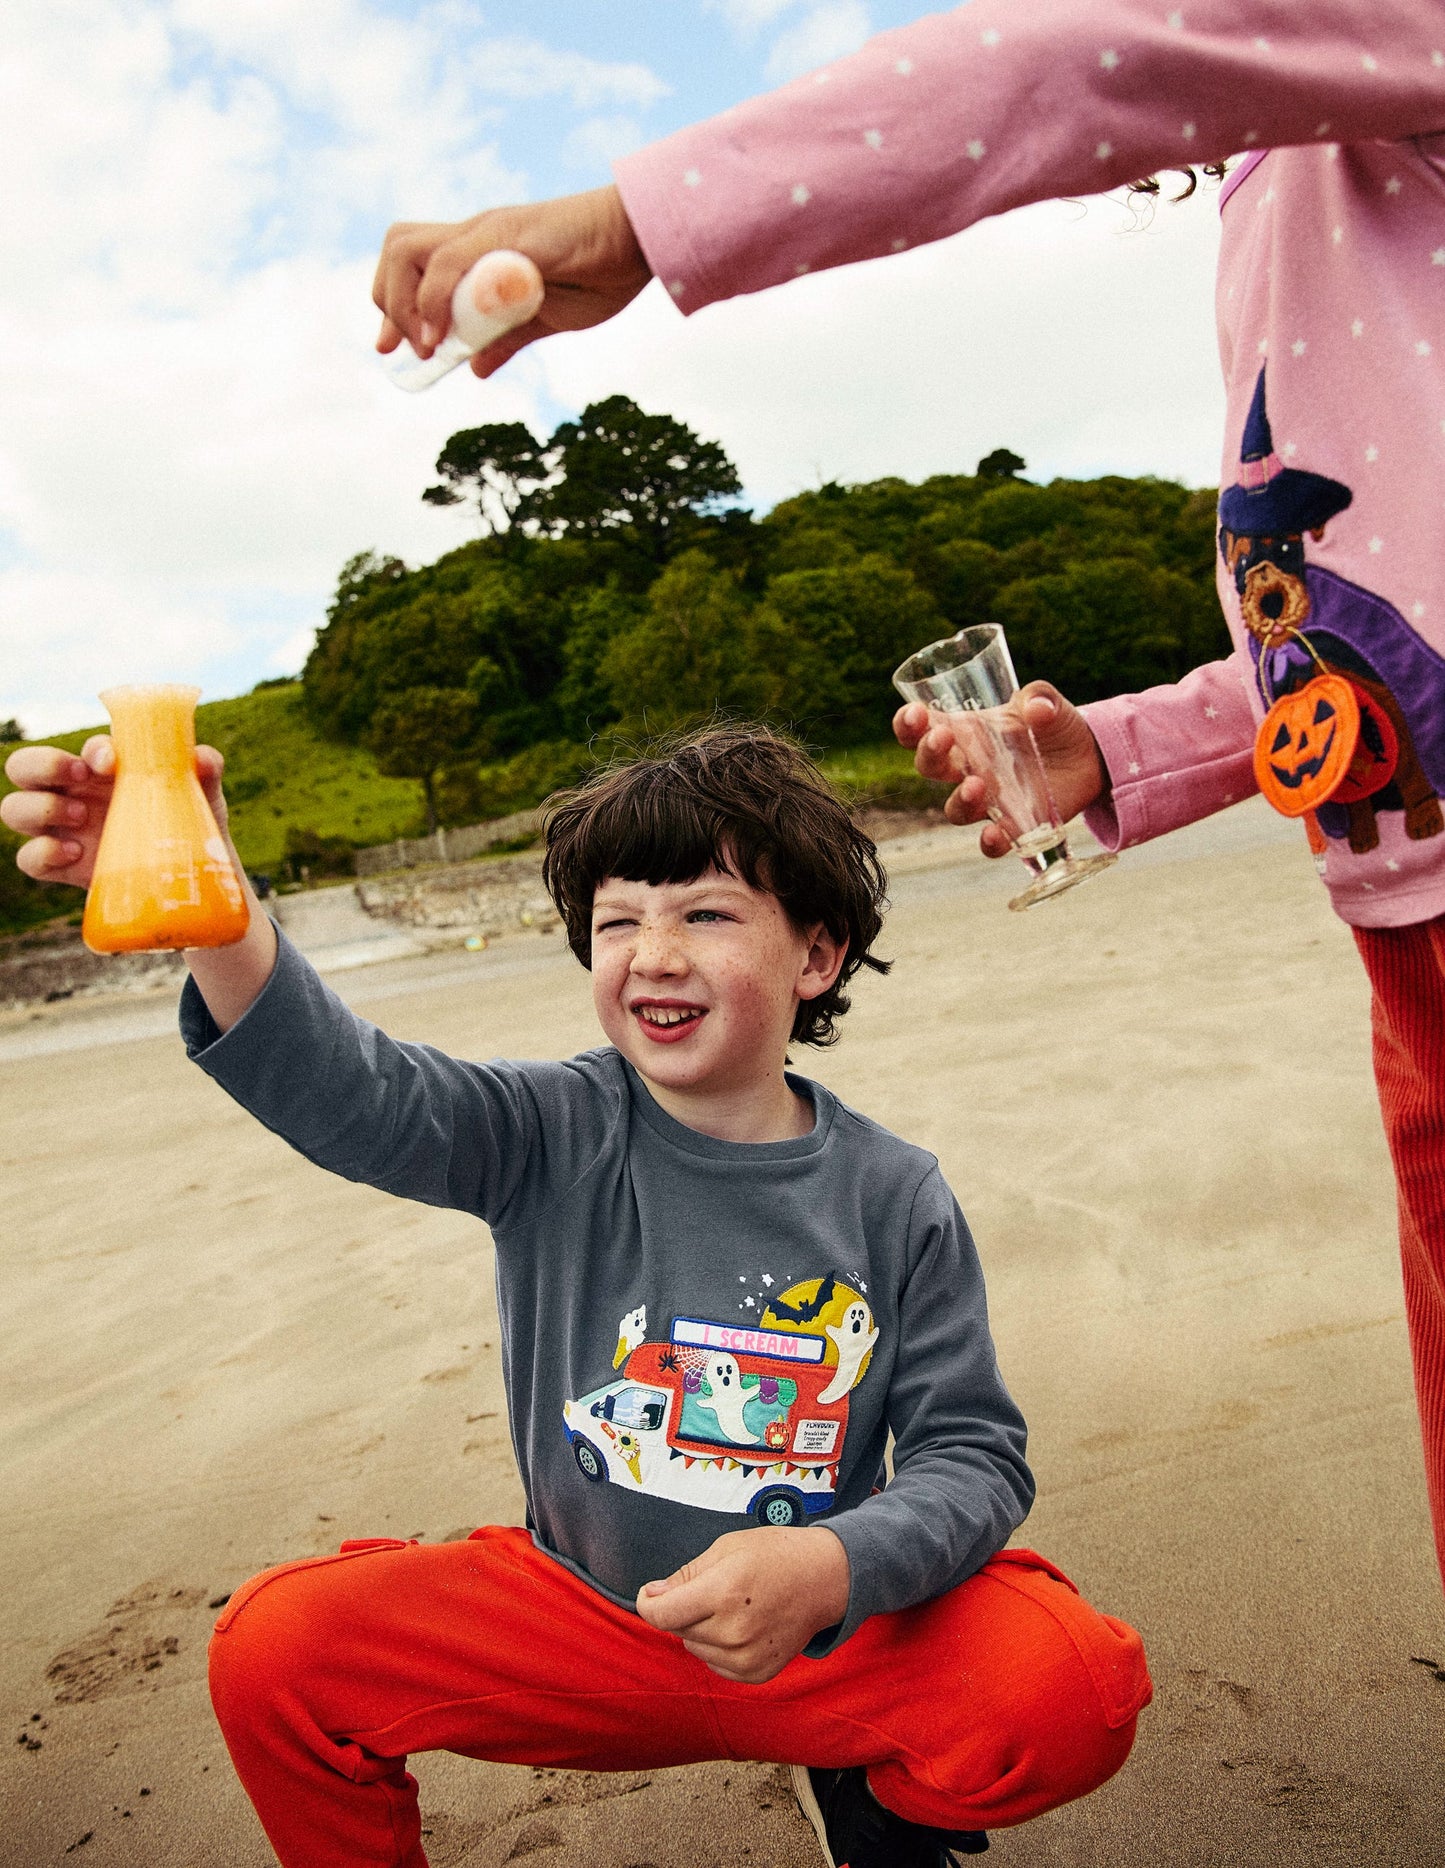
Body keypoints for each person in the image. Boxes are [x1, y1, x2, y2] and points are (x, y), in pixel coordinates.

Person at [372, 1, 1445, 1589]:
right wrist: (1119, 753)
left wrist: (638, 220)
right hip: (1404, 911)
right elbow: (1384, 607)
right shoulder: (1291, 158)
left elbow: (1084, 61)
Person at [1, 723, 1149, 1868]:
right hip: (581, 1621)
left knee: (1072, 1678)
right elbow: (354, 1089)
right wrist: (218, 913)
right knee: (273, 1649)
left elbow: (973, 1454)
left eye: (704, 911)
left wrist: (836, 1568)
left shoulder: (895, 1193)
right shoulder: (544, 1131)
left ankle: (879, 1805)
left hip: (824, 1633)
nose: (651, 952)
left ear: (816, 953)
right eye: (615, 920)